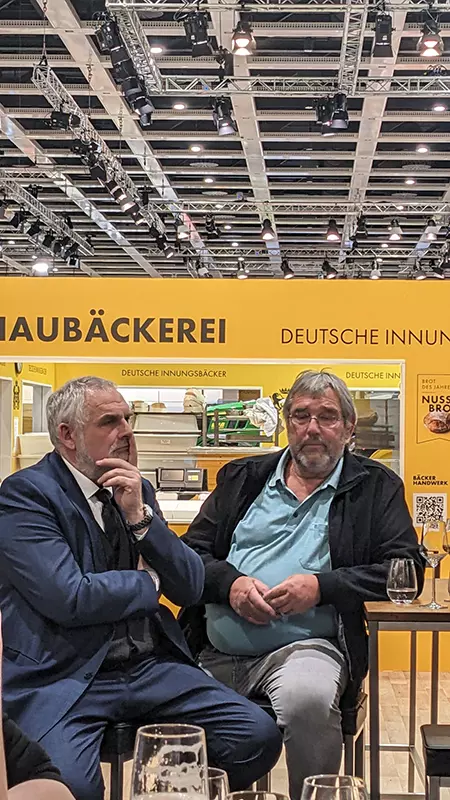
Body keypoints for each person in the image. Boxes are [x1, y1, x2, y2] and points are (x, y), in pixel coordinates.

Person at [0, 377, 282, 800]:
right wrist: (149, 581)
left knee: (255, 737)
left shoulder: (135, 489)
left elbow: (190, 586)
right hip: (66, 675)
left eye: (127, 419)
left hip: (149, 666)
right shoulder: (26, 496)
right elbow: (71, 598)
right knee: (70, 788)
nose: (126, 432)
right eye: (109, 422)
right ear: (67, 435)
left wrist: (140, 518)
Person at [182, 370, 424, 800]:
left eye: (327, 416)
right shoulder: (242, 477)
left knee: (308, 699)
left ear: (348, 427)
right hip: (213, 649)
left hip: (307, 649)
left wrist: (321, 587)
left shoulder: (375, 486)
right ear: (287, 423)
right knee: (167, 701)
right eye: (301, 415)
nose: (312, 428)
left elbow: (405, 570)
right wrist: (231, 584)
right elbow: (189, 554)